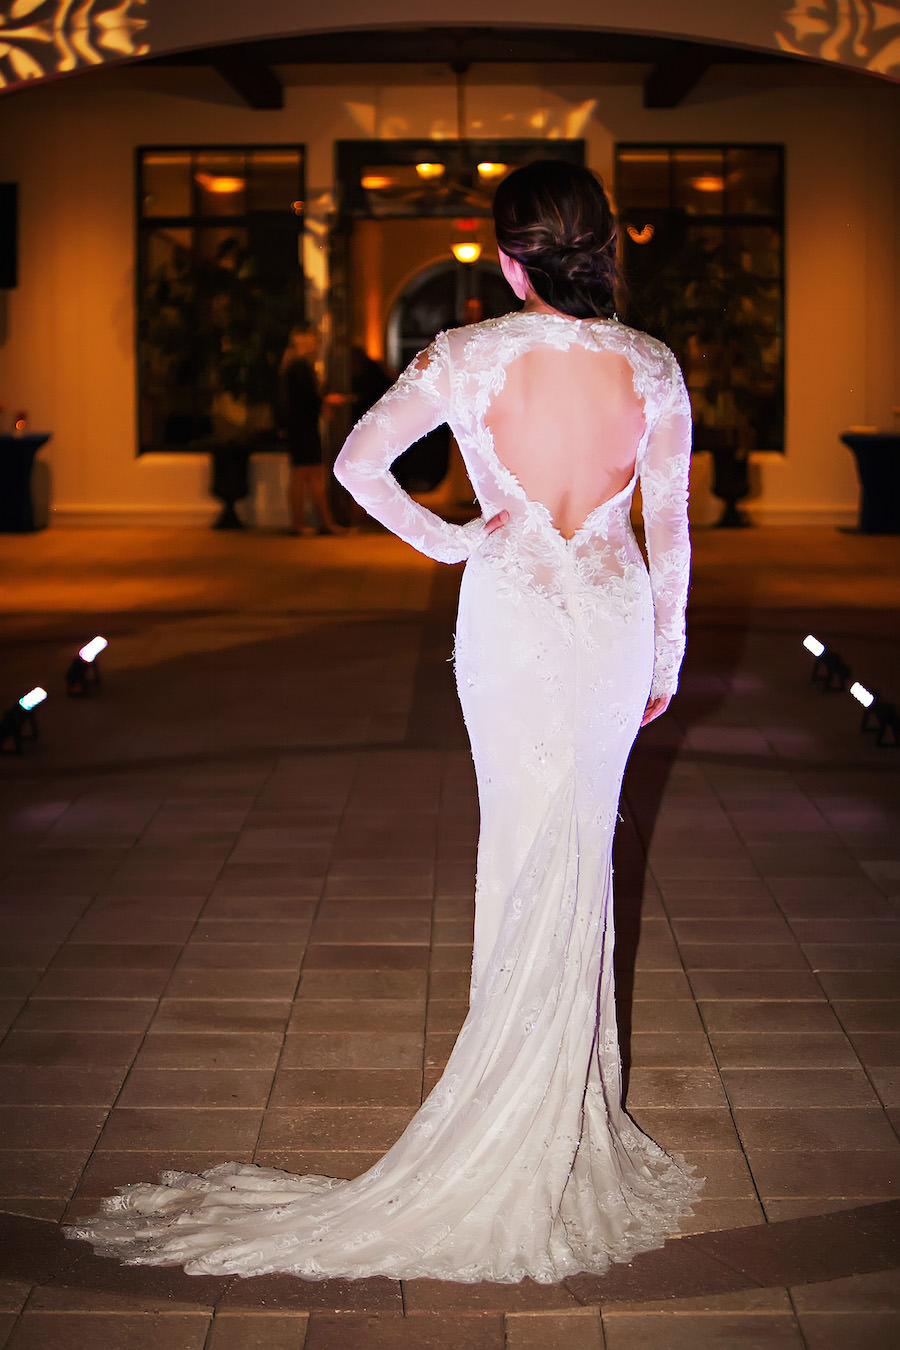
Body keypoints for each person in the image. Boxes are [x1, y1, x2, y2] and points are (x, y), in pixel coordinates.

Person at [66, 161, 700, 1283]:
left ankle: (524, 1107)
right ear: (601, 246)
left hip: (509, 610)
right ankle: (564, 1112)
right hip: (607, 618)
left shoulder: (463, 357)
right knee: (584, 855)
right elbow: (670, 529)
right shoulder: (652, 366)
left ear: (510, 259)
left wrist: (460, 540)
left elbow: (358, 465)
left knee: (514, 844)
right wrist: (668, 653)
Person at [277, 323, 345, 535]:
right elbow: (307, 400)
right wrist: (326, 401)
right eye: (313, 340)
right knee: (308, 473)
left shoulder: (291, 366)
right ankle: (317, 523)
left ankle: (316, 522)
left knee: (304, 474)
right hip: (303, 427)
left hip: (298, 427)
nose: (316, 344)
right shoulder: (300, 367)